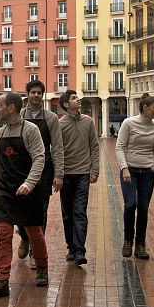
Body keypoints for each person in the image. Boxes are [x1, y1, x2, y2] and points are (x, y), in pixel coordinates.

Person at [0, 92, 48, 299]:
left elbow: (39, 158)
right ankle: (1, 280)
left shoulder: (31, 130)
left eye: (0, 105)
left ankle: (42, 268)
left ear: (11, 108)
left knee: (33, 233)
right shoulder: (0, 133)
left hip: (27, 190)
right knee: (3, 234)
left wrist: (29, 183)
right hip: (5, 190)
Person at [16, 80, 64, 268]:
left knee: (41, 211)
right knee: (20, 208)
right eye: (33, 92)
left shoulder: (51, 118)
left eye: (39, 93)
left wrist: (59, 174)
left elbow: (58, 147)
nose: (36, 96)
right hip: (20, 168)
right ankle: (25, 238)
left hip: (44, 169)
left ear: (42, 96)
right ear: (27, 95)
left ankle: (37, 252)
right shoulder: (19, 115)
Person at [115, 93, 154, 259]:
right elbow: (119, 147)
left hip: (148, 172)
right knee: (130, 204)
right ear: (145, 108)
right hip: (130, 170)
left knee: (143, 207)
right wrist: (124, 168)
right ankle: (128, 240)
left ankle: (140, 244)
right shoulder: (129, 123)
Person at [58, 90, 99, 266]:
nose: (78, 100)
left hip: (83, 173)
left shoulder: (88, 122)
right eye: (74, 98)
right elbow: (57, 151)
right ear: (66, 104)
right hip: (66, 175)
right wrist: (58, 174)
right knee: (67, 214)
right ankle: (71, 247)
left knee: (80, 211)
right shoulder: (60, 124)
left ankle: (80, 250)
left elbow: (94, 147)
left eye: (77, 97)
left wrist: (94, 169)